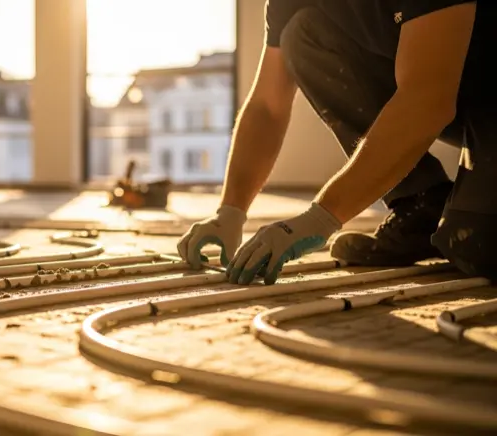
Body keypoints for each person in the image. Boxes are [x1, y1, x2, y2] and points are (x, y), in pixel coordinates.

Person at [177, 1, 496, 285]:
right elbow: (267, 107)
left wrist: (321, 217)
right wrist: (230, 211)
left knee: (476, 247)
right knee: (303, 34)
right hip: (462, 87)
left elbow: (427, 100)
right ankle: (420, 201)